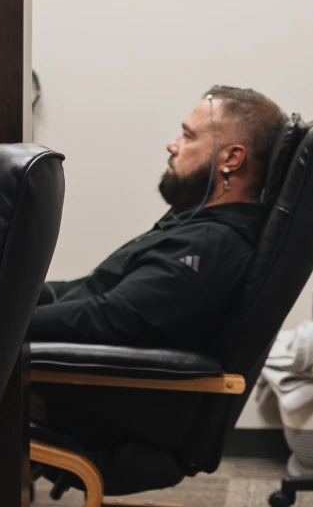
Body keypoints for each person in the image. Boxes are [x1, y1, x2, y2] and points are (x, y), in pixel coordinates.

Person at [31, 83, 285, 454]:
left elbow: (109, 318)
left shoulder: (212, 246)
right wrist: (4, 296)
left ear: (232, 158)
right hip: (86, 389)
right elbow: (93, 289)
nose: (172, 144)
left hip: (101, 411)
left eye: (188, 135)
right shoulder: (194, 224)